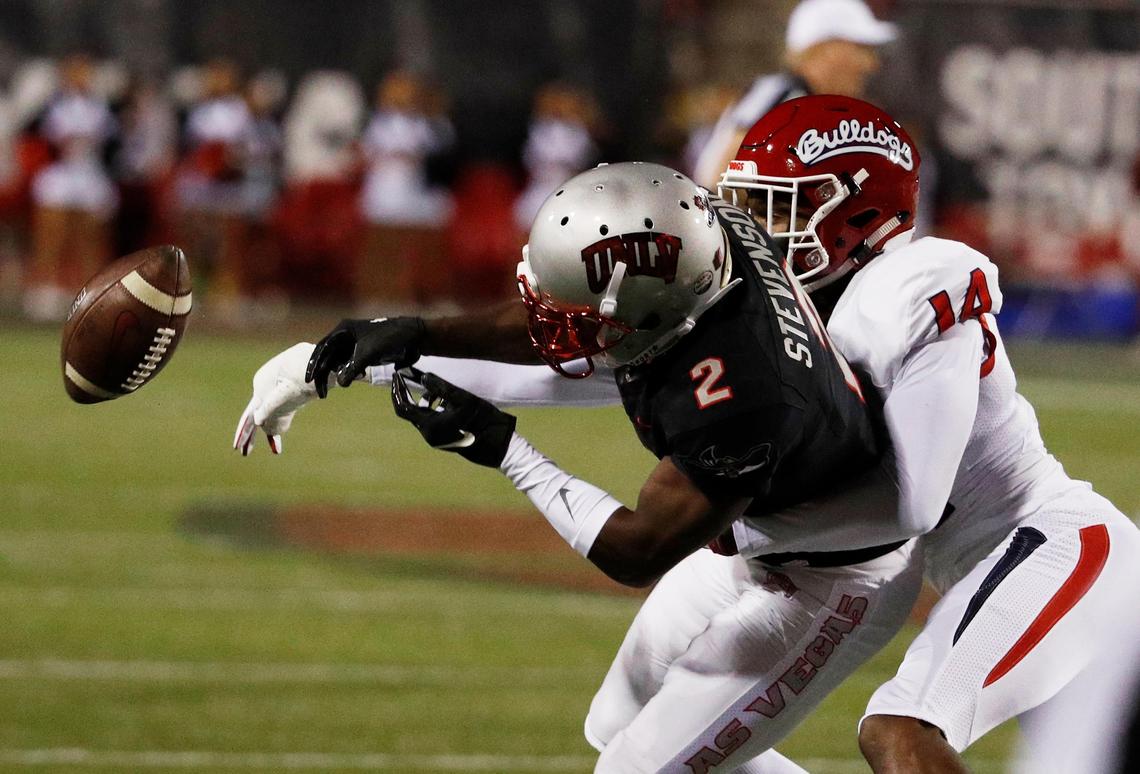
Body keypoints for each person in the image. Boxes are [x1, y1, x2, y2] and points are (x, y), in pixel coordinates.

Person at [238, 97, 1140, 772]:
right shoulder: (743, 282)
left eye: (790, 208)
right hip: (831, 544)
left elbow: (911, 502)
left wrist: (736, 517)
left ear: (867, 219)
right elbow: (581, 357)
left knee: (901, 728)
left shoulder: (916, 285)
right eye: (755, 202)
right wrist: (363, 362)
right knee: (617, 728)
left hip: (1039, 545)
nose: (763, 226)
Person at [236, 162, 927, 772]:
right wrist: (404, 340)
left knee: (634, 769)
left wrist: (504, 449)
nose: (550, 323)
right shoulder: (692, 247)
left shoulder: (739, 392)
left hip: (837, 576)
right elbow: (561, 339)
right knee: (617, 725)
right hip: (769, 527)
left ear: (648, 318)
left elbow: (638, 549)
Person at [691, 0, 895, 189]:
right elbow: (718, 177)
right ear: (825, 49)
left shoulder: (813, 106)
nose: (872, 65)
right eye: (861, 48)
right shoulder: (781, 94)